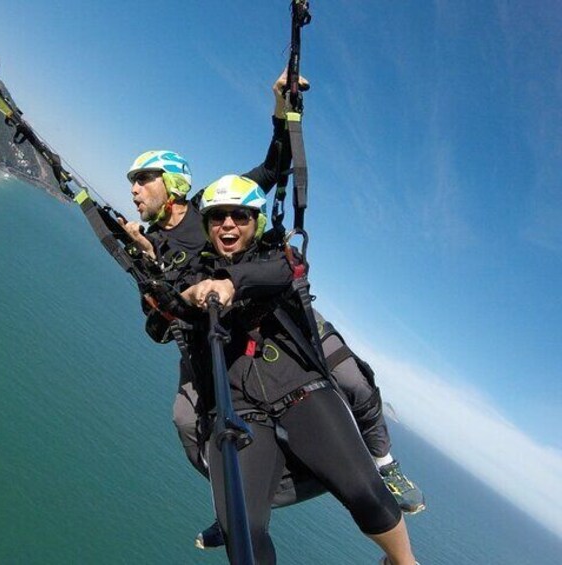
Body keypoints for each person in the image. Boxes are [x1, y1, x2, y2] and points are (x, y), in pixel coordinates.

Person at [120, 73, 425, 537]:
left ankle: (383, 462)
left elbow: (274, 167)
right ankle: (240, 503)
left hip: (276, 311)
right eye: (133, 182)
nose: (135, 190)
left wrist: (281, 108)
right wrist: (145, 258)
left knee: (353, 380)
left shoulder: (216, 203)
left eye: (142, 179)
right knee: (188, 421)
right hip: (212, 336)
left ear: (172, 182)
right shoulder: (149, 242)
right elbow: (161, 307)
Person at [178, 174, 417, 564]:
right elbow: (167, 310)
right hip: (241, 408)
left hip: (301, 388)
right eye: (218, 217)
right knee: (243, 531)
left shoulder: (277, 256)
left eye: (239, 216)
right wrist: (191, 295)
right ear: (206, 224)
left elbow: (280, 272)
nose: (228, 225)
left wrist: (229, 282)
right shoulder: (194, 271)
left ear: (255, 223)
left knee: (367, 493)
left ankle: (403, 562)